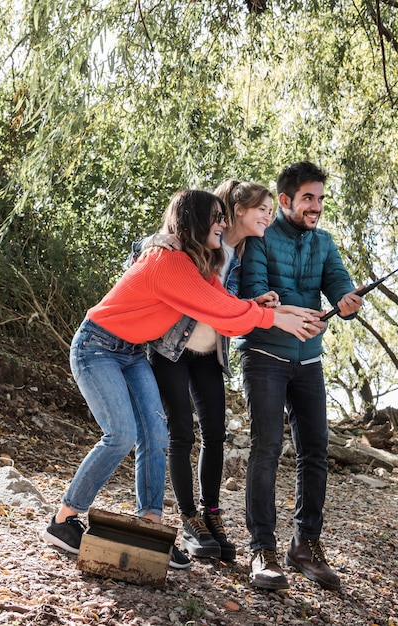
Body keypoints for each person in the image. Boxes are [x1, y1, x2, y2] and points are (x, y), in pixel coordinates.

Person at [42, 189, 323, 569]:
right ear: (193, 220)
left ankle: (151, 527)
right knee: (121, 434)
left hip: (130, 353)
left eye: (225, 218)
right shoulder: (166, 259)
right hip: (96, 346)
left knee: (156, 437)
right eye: (216, 217)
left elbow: (224, 308)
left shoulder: (196, 267)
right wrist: (276, 320)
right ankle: (63, 519)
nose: (223, 224)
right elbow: (217, 307)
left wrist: (274, 309)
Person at [238, 161, 363, 590]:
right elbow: (253, 297)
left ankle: (305, 545)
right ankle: (262, 549)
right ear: (286, 200)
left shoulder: (325, 243)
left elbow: (340, 286)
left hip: (309, 362)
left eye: (321, 199)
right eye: (309, 198)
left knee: (315, 451)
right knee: (267, 448)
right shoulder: (259, 239)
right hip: (263, 357)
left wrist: (347, 302)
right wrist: (276, 309)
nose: (317, 206)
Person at [140, 181, 278, 562]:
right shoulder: (190, 238)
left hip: (209, 353)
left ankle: (211, 514)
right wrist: (157, 241)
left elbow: (226, 302)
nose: (268, 216)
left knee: (215, 432)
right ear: (235, 209)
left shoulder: (246, 251)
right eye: (261, 208)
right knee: (181, 431)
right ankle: (189, 520)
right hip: (172, 348)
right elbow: (150, 254)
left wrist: (255, 304)